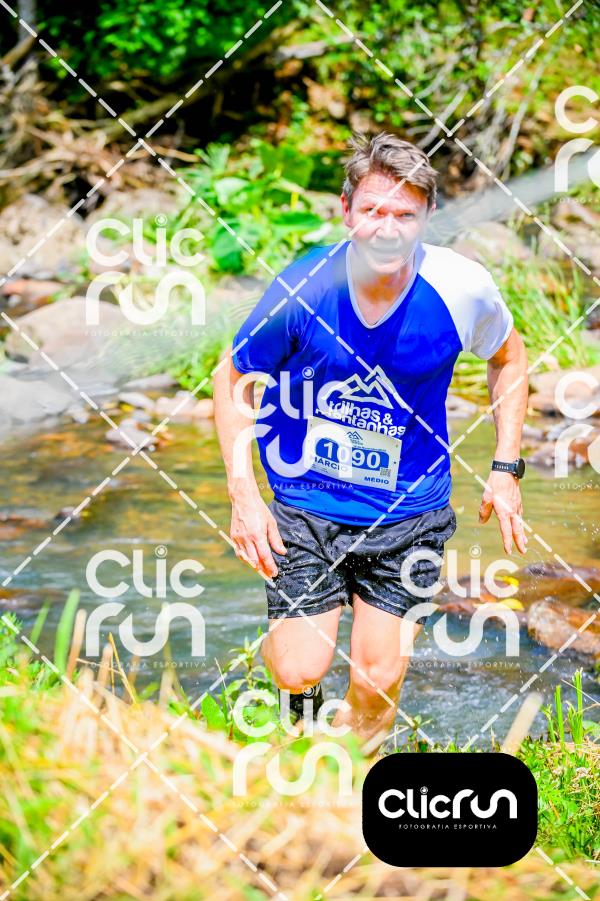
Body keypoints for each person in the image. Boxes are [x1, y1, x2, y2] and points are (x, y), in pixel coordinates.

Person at [214, 131, 528, 748]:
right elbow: (234, 377)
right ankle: (301, 733)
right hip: (306, 505)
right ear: (346, 211)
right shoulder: (305, 287)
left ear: (428, 216)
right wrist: (242, 494)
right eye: (373, 210)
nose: (387, 229)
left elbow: (509, 360)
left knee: (377, 680)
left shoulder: (461, 288)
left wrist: (506, 467)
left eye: (405, 214)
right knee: (298, 669)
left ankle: (345, 781)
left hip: (410, 511)